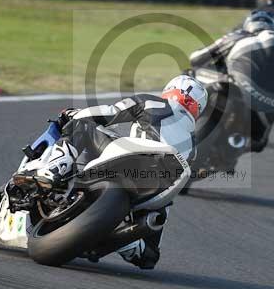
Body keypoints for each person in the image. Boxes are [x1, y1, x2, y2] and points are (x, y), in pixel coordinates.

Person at [22, 74, 207, 270]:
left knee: (83, 123)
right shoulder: (193, 144)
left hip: (133, 160)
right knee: (149, 256)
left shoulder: (153, 102)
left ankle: (52, 171)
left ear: (171, 91)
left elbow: (109, 112)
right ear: (197, 109)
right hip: (156, 186)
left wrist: (74, 113)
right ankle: (128, 240)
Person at [189, 10, 274, 153]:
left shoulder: (239, 36)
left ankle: (174, 118)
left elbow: (196, 58)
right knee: (256, 142)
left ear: (248, 25)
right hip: (259, 118)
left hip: (234, 91)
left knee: (189, 74)